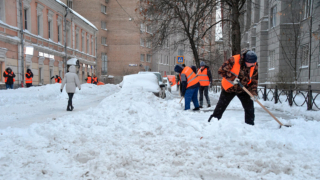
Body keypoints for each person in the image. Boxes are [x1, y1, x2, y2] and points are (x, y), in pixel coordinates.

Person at [208, 50, 258, 125]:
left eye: (253, 63)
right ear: (245, 60)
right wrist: (232, 78)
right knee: (221, 106)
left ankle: (250, 125)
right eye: (250, 63)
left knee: (249, 107)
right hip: (229, 88)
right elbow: (221, 71)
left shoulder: (254, 65)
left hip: (243, 89)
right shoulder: (233, 60)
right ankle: (212, 123)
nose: (252, 65)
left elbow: (254, 80)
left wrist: (253, 93)